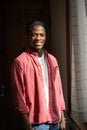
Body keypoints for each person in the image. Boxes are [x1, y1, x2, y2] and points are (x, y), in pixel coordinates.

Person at [11, 21, 66, 130]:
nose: (38, 38)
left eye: (42, 35)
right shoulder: (20, 62)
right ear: (28, 36)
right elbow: (19, 96)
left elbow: (59, 90)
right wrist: (26, 123)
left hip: (55, 120)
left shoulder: (52, 60)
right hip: (36, 123)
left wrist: (62, 118)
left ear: (46, 37)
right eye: (34, 34)